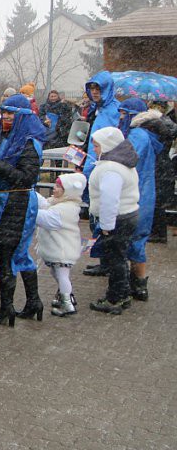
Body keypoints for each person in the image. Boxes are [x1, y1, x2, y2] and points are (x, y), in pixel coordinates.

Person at [0, 94, 46, 325]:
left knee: (8, 254)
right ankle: (33, 302)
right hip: (4, 201)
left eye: (11, 113)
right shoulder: (5, 136)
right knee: (18, 253)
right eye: (4, 112)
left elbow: (26, 178)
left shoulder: (29, 142)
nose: (6, 117)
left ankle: (7, 309)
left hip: (18, 203)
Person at [86, 127, 140, 315]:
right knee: (119, 256)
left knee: (115, 259)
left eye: (97, 145)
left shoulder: (111, 168)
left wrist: (107, 226)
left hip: (118, 218)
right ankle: (122, 293)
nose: (94, 149)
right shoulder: (121, 162)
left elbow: (110, 200)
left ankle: (114, 299)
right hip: (128, 214)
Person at [124, 104, 175, 301]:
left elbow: (129, 160)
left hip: (135, 194)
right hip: (148, 193)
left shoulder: (139, 137)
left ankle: (125, 286)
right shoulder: (157, 140)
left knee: (126, 240)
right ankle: (139, 285)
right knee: (139, 240)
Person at [82, 72, 122, 276]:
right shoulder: (97, 110)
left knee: (103, 220)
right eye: (92, 89)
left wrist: (90, 169)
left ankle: (109, 265)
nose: (94, 92)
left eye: (98, 89)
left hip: (101, 168)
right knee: (95, 218)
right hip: (93, 166)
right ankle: (104, 262)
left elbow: (107, 143)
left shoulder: (112, 110)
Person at [34, 173, 86, 317]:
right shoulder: (60, 203)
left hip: (62, 250)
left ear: (67, 191)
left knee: (62, 275)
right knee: (57, 274)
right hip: (60, 249)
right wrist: (32, 194)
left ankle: (67, 303)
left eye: (58, 186)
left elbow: (46, 218)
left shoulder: (64, 210)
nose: (54, 188)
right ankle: (67, 295)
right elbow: (46, 204)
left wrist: (29, 210)